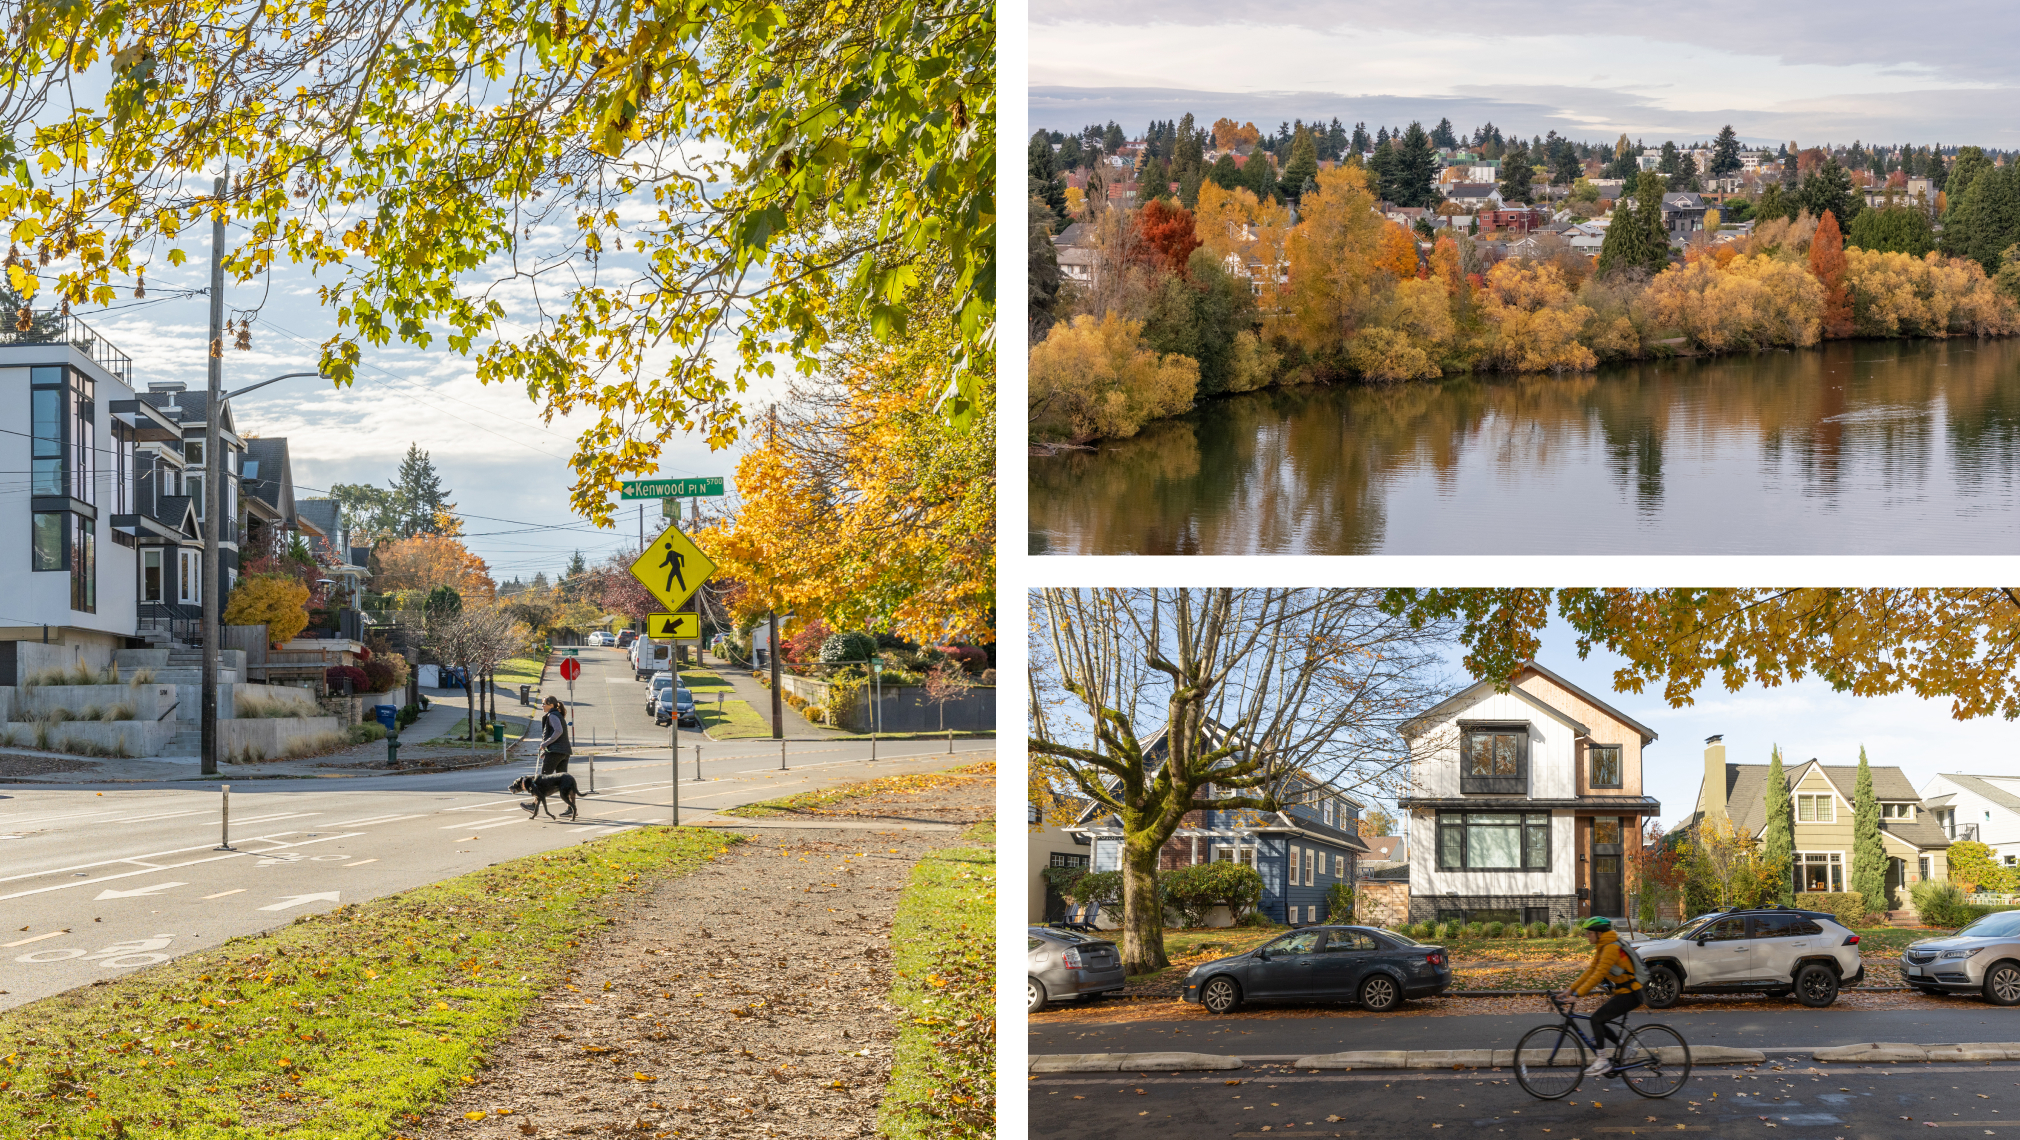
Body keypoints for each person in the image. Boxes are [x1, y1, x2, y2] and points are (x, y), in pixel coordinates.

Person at [1558, 916, 1642, 1078]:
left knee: (1596, 1019)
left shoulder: (1610, 948)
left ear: (1599, 933)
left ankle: (1602, 1061)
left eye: (1589, 933)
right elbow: (1590, 971)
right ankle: (1626, 1049)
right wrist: (1570, 990)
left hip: (1632, 993)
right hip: (1625, 991)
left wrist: (1578, 995)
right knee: (1600, 1020)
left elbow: (1599, 975)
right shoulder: (1603, 946)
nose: (1587, 936)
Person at [537, 696, 571, 776]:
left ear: (551, 705)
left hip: (555, 752)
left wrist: (545, 744)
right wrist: (546, 751)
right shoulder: (558, 715)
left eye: (544, 704)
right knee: (561, 779)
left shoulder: (552, 716)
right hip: (564, 752)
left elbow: (558, 731)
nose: (542, 706)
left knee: (544, 778)